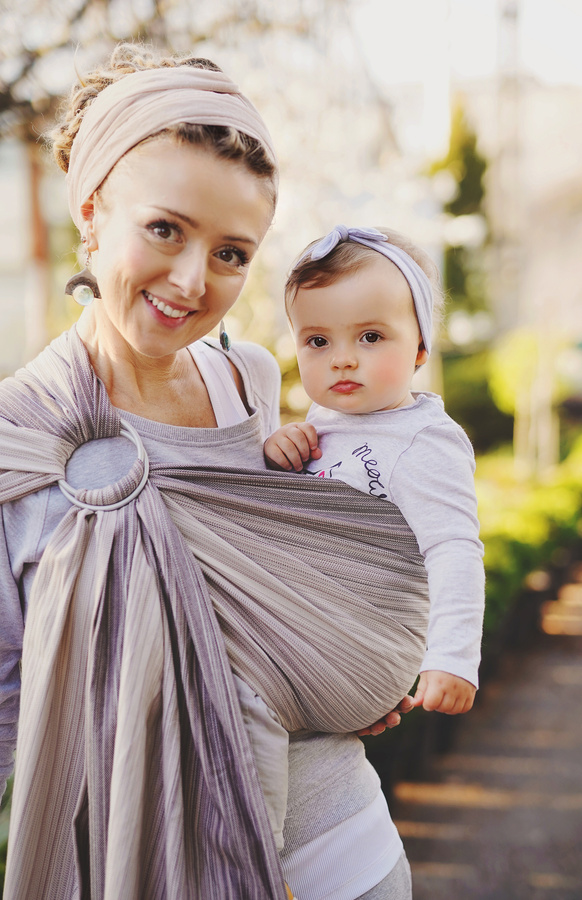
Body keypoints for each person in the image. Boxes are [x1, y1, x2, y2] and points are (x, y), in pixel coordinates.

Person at [0, 46, 422, 900]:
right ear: (91, 211)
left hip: (342, 838)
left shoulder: (250, 382)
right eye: (165, 229)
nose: (192, 281)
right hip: (152, 861)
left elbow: (296, 583)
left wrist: (354, 670)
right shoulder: (22, 440)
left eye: (232, 253)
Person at [265, 224, 485, 716]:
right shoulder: (323, 423)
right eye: (318, 341)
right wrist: (280, 450)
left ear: (421, 349)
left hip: (356, 643)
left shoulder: (424, 439)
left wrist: (451, 655)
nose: (342, 360)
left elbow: (453, 548)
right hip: (301, 631)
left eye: (370, 336)